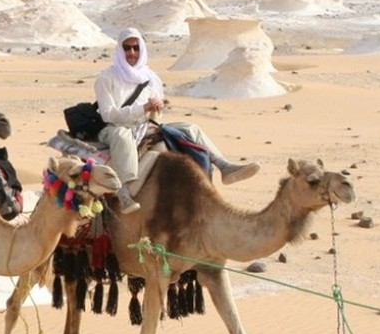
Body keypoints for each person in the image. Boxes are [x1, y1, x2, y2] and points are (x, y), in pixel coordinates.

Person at [95, 27, 260, 213]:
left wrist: (155, 110)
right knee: (122, 137)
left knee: (191, 128)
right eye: (127, 48)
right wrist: (142, 108)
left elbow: (157, 115)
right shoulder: (106, 78)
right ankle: (123, 192)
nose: (131, 52)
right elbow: (108, 114)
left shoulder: (151, 78)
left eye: (136, 47)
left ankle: (224, 166)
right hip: (115, 128)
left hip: (145, 125)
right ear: (119, 49)